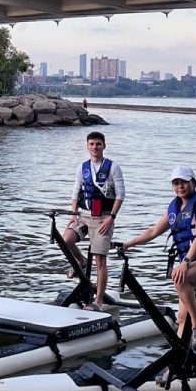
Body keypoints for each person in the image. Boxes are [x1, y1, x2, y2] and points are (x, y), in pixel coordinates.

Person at [121, 165, 196, 348]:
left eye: (184, 182)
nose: (180, 186)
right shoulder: (174, 208)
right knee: (181, 317)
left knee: (179, 278)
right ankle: (177, 362)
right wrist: (129, 243)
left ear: (193, 183)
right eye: (176, 183)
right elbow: (154, 230)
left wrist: (185, 262)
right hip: (191, 266)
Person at [63, 130, 126, 307]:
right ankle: (81, 261)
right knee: (66, 239)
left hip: (103, 217)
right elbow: (76, 192)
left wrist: (111, 218)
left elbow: (120, 194)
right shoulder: (82, 168)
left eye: (98, 144)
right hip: (84, 215)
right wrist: (73, 214)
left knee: (99, 260)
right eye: (91, 144)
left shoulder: (113, 167)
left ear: (104, 146)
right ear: (87, 146)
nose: (95, 147)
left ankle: (98, 301)